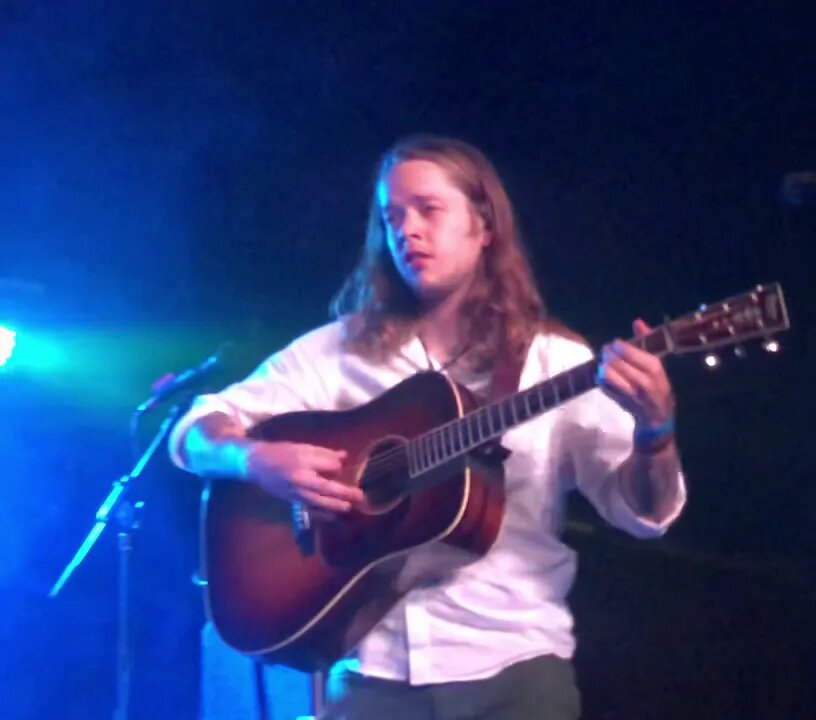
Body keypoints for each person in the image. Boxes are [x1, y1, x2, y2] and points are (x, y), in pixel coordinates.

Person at [169, 134, 687, 720]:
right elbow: (191, 430)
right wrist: (254, 460)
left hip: (514, 672)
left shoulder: (557, 363)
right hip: (370, 674)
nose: (407, 230)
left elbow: (644, 515)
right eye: (393, 217)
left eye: (428, 209)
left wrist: (655, 433)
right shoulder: (340, 351)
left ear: (485, 225)